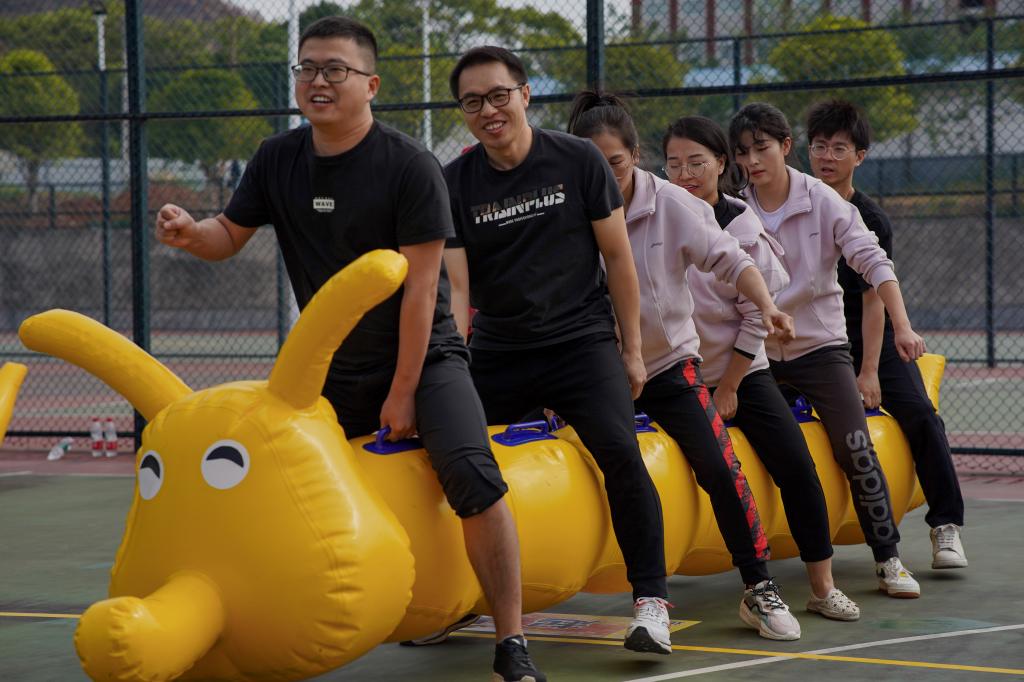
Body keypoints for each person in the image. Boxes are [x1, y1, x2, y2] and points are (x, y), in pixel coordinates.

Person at [153, 17, 543, 682]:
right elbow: (228, 235)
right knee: (268, 479)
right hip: (328, 368)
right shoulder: (277, 158)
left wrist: (402, 392)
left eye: (335, 69)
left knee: (472, 476)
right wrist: (191, 232)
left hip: (425, 360)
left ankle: (511, 639)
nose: (317, 81)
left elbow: (421, 292)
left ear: (371, 84)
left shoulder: (409, 165)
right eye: (307, 68)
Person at [443, 46, 672, 655]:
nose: (488, 110)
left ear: (524, 95)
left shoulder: (577, 160)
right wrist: (450, 367)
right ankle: (456, 601)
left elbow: (618, 258)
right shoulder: (454, 183)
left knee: (620, 453)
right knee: (455, 461)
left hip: (581, 343)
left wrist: (631, 350)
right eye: (472, 102)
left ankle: (650, 602)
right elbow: (457, 289)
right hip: (500, 348)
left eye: (498, 95)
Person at [567, 91, 803, 641]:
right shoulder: (567, 209)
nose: (603, 175)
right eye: (591, 164)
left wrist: (767, 306)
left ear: (635, 155)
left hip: (668, 364)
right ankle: (648, 602)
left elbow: (732, 259)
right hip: (597, 370)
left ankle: (758, 585)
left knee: (719, 466)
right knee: (618, 468)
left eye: (615, 163)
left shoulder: (671, 204)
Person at [667, 115, 861, 622]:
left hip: (742, 370)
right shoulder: (659, 215)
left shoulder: (741, 224)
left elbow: (759, 313)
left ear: (720, 164)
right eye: (674, 164)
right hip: (675, 372)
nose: (685, 174)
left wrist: (729, 387)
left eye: (696, 162)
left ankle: (822, 586)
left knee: (796, 465)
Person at [728, 102, 926, 598]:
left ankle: (888, 558)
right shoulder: (732, 207)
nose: (752, 161)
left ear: (785, 146)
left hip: (819, 348)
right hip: (754, 352)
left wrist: (902, 326)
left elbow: (873, 262)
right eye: (743, 153)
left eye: (761, 148)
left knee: (856, 447)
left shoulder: (822, 200)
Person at [806, 99, 967, 570]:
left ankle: (945, 524)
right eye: (820, 146)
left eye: (839, 148)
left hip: (865, 340)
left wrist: (870, 371)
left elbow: (873, 300)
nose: (827, 156)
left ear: (860, 156)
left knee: (920, 414)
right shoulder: (793, 207)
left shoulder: (870, 218)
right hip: (810, 340)